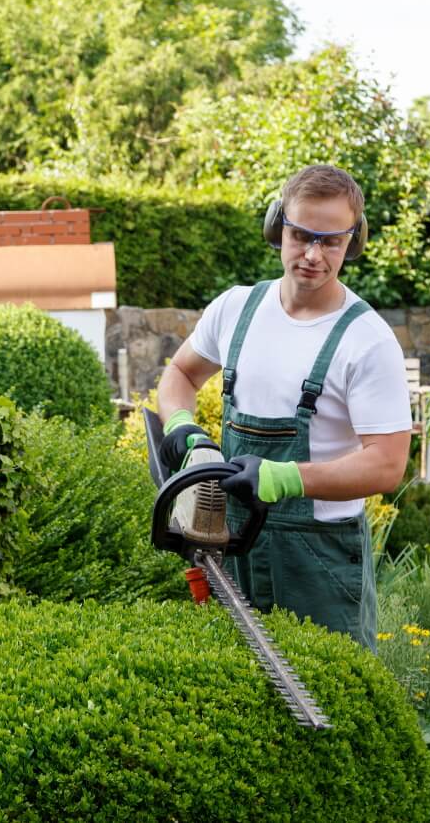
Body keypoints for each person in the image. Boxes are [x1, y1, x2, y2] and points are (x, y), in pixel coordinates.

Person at [155, 164, 411, 652]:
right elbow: (181, 375)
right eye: (301, 236)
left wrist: (284, 478)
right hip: (229, 542)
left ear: (351, 243)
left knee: (333, 700)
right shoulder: (235, 309)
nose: (313, 255)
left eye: (330, 241)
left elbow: (387, 464)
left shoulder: (366, 339)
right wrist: (183, 428)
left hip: (318, 559)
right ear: (278, 228)